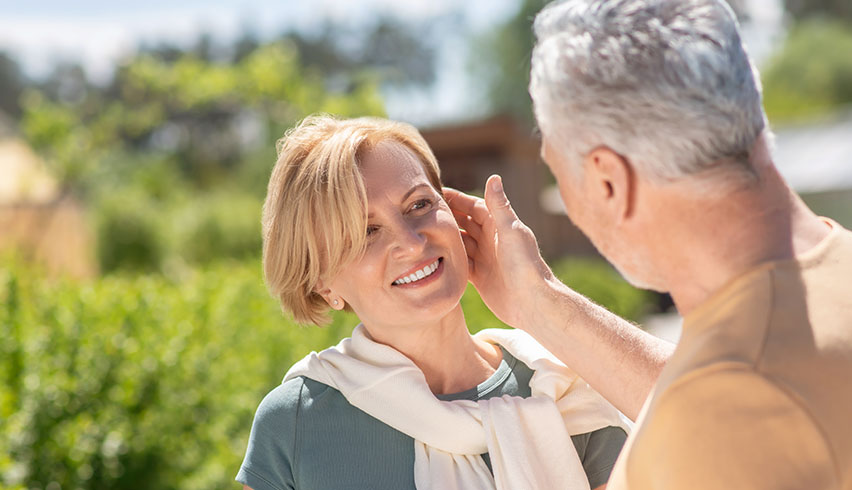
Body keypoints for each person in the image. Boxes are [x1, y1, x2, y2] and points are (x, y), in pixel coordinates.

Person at [444, 0, 852, 488]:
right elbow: (718, 394)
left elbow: (721, 410)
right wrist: (538, 304)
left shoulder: (727, 406)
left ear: (608, 180)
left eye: (561, 176)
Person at [236, 115, 630, 490]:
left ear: (454, 212)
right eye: (367, 231)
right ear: (323, 284)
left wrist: (540, 299)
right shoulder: (294, 423)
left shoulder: (565, 391)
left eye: (419, 205)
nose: (411, 243)